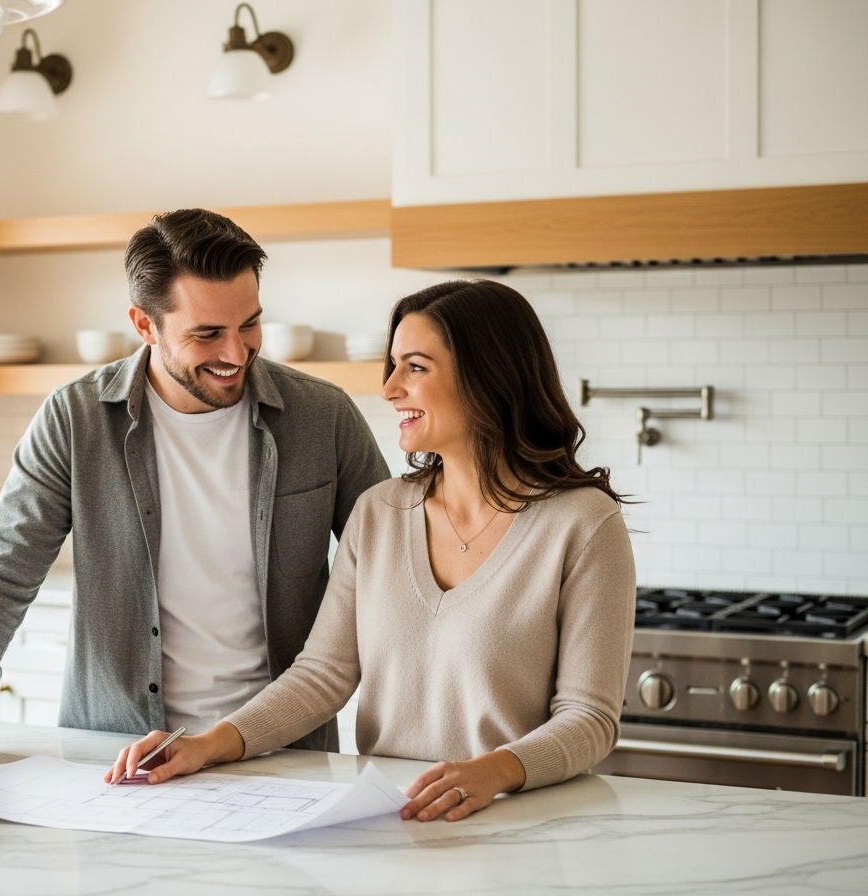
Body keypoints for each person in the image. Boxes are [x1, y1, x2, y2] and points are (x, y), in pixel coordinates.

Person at [0, 209, 389, 780]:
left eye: (249, 324)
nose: (235, 354)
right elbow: (3, 571)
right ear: (144, 324)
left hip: (281, 752)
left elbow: (394, 568)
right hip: (113, 755)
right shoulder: (75, 417)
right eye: (207, 334)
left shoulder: (323, 416)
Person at [107, 279, 636, 824]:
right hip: (391, 819)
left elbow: (589, 717)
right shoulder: (380, 512)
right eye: (392, 366)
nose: (389, 389)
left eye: (415, 367)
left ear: (488, 377)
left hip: (521, 821)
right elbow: (323, 674)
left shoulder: (583, 525)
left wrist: (494, 771)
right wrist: (208, 744)